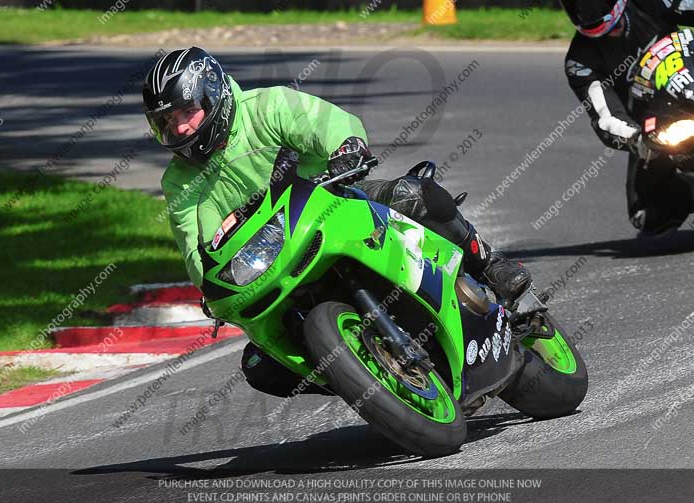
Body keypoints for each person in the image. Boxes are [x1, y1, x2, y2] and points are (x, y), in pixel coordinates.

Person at [143, 47, 530, 396]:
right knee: (260, 366)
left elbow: (325, 123)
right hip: (273, 262)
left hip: (334, 201)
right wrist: (211, 283)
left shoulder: (266, 106)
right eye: (167, 120)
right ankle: (367, 381)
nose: (180, 129)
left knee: (413, 195)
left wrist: (345, 148)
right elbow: (196, 251)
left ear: (214, 98)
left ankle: (489, 264)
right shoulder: (178, 182)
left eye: (187, 113)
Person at [561, 0, 694, 235]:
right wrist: (636, 139)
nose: (587, 12)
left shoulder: (651, 2)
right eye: (576, 6)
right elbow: (606, 116)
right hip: (658, 125)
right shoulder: (580, 62)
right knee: (645, 214)